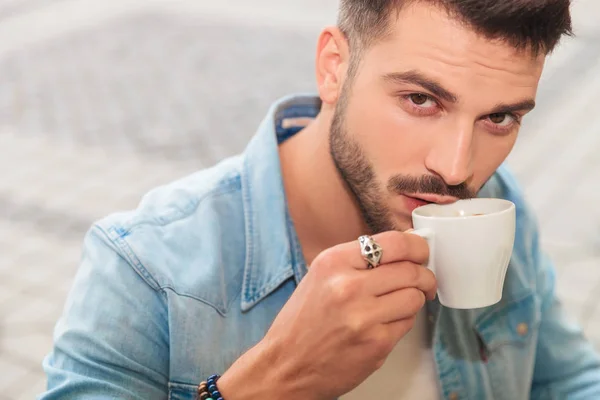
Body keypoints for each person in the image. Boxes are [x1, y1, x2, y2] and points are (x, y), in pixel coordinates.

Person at [41, 0, 600, 399]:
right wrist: (273, 382)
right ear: (335, 67)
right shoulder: (144, 269)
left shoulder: (497, 206)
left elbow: (566, 379)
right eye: (421, 99)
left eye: (499, 117)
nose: (457, 169)